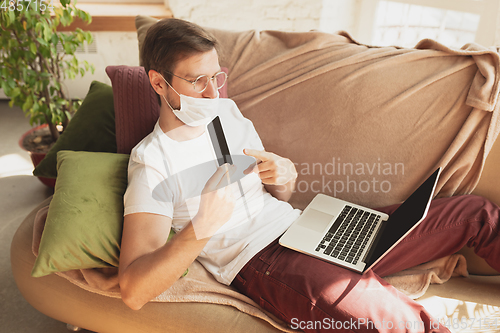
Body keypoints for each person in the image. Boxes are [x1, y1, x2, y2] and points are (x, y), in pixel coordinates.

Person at [118, 18, 500, 333]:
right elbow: (133, 290)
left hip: (305, 226)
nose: (212, 92)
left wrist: (283, 179)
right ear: (157, 82)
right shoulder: (152, 161)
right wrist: (199, 229)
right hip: (263, 260)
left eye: (216, 77)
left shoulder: (227, 112)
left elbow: (277, 197)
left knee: (476, 214)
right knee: (408, 325)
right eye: (196, 81)